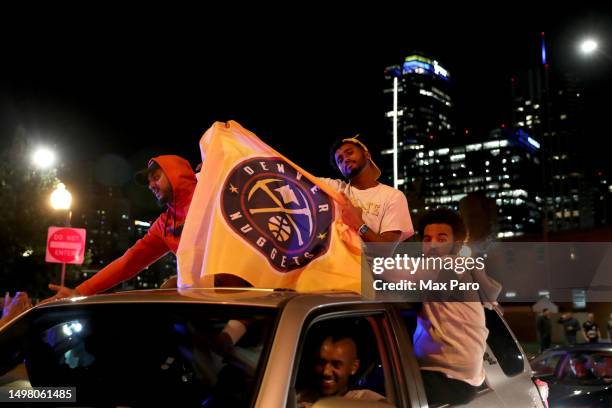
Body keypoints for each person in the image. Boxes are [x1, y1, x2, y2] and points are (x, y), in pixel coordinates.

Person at [44, 155, 197, 300]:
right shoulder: (164, 224)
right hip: (202, 295)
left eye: (156, 178)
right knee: (166, 291)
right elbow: (129, 262)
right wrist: (79, 291)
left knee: (171, 286)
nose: (151, 186)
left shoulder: (209, 198)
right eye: (150, 182)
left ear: (177, 175)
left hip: (218, 291)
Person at [322, 136, 413, 243]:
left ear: (367, 154)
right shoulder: (335, 188)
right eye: (340, 160)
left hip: (368, 260)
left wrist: (359, 225)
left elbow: (385, 251)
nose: (345, 160)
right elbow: (299, 179)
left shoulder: (393, 196)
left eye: (350, 152)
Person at [296, 331, 385, 407]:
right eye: (321, 362)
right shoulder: (301, 397)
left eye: (336, 364)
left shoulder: (368, 401)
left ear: (354, 367)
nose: (326, 372)